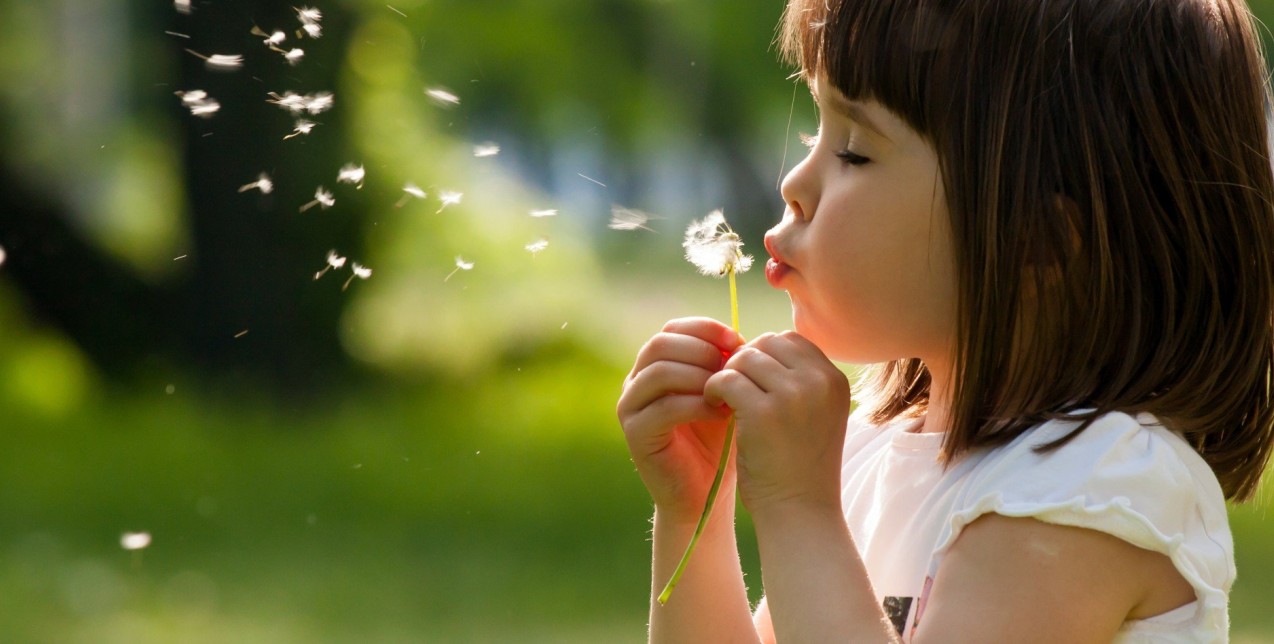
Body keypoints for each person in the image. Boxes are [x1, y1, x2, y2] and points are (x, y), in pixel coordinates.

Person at [615, 0, 1274, 641]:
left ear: (1035, 241)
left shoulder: (1090, 488)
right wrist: (694, 515)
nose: (793, 184)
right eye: (817, 133)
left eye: (854, 151)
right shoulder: (873, 455)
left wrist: (798, 510)